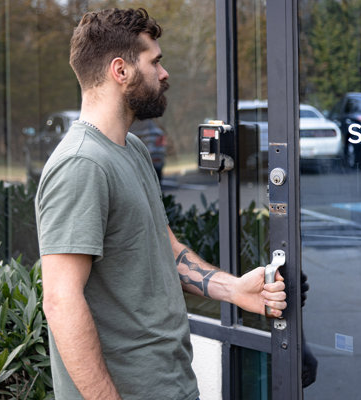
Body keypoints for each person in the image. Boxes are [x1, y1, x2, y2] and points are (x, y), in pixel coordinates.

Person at [35, 8, 286, 400]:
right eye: (155, 62)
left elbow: (163, 249)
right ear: (121, 71)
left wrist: (233, 289)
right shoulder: (81, 164)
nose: (164, 74)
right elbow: (61, 300)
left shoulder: (131, 149)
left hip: (169, 382)